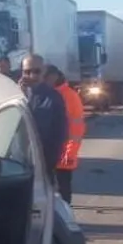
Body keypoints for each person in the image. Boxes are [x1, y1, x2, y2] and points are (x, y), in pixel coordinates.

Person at [19, 54, 68, 183]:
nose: (32, 76)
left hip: (42, 167)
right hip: (18, 166)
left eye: (36, 71)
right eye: (27, 72)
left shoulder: (53, 98)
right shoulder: (16, 95)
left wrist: (47, 165)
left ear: (44, 72)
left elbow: (59, 134)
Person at [46, 65, 85, 204]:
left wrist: (68, 154)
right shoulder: (55, 93)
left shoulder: (66, 96)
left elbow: (72, 129)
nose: (44, 80)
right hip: (57, 151)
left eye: (46, 76)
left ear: (55, 76)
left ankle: (66, 218)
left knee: (63, 190)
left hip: (64, 153)